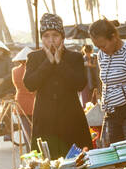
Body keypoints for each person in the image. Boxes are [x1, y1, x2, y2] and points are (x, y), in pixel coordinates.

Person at [23, 14, 90, 157]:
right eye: (46, 36)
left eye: (55, 35)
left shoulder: (75, 57)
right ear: (42, 38)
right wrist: (48, 62)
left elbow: (80, 84)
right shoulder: (34, 58)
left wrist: (60, 62)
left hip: (71, 120)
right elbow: (30, 84)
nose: (51, 40)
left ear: (62, 37)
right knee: (46, 166)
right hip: (44, 121)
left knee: (77, 163)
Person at [10, 46, 35, 150]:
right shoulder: (35, 70)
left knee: (26, 133)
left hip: (21, 103)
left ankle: (30, 154)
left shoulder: (15, 71)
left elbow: (16, 85)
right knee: (37, 132)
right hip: (34, 102)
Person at [80, 43, 100, 108]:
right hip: (86, 83)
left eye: (89, 52)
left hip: (94, 82)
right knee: (86, 101)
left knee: (95, 101)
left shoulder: (94, 57)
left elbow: (96, 67)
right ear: (84, 52)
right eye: (87, 52)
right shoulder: (82, 59)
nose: (88, 54)